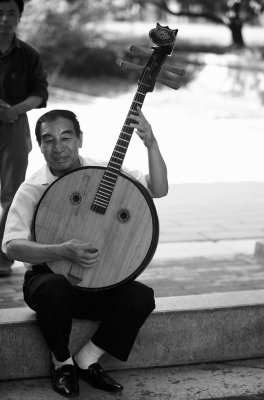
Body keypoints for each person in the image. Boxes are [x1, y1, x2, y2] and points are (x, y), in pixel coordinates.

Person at [2, 108, 168, 397]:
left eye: (66, 137)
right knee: (54, 288)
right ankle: (62, 362)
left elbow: (159, 188)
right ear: (40, 145)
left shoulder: (103, 172)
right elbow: (12, 246)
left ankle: (87, 359)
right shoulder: (31, 189)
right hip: (47, 280)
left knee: (141, 296)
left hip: (96, 280)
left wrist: (151, 143)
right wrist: (61, 250)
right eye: (48, 139)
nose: (58, 147)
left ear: (80, 138)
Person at [0, 0, 48, 276]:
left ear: (19, 17)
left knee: (11, 194)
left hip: (15, 127)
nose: (5, 19)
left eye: (11, 13)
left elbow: (40, 92)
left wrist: (14, 110)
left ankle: (3, 257)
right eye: (0, 13)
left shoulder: (29, 54)